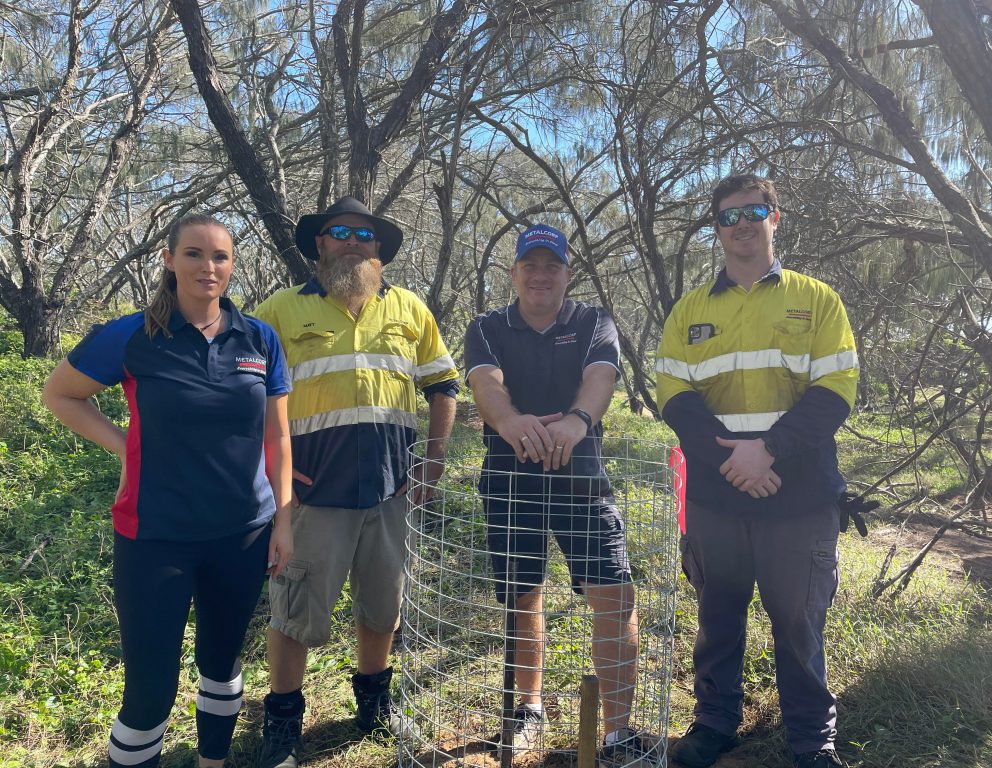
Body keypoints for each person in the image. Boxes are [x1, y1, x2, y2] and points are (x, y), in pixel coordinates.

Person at [41, 214, 294, 768]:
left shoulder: (259, 338)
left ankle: (212, 762)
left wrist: (284, 521)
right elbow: (60, 394)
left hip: (243, 535)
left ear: (232, 265)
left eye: (220, 256)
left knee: (222, 666)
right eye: (194, 254)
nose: (208, 267)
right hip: (154, 535)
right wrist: (125, 447)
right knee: (149, 690)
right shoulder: (133, 335)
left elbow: (276, 434)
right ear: (169, 260)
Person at [655, 174, 859, 768]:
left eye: (753, 211)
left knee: (798, 621)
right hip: (716, 496)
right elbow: (675, 397)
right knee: (717, 615)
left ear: (776, 217)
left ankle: (811, 740)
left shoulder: (817, 300)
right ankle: (715, 724)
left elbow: (836, 390)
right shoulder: (689, 311)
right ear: (716, 228)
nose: (741, 224)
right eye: (728, 215)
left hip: (798, 495)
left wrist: (766, 450)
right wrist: (733, 460)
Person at [254, 196, 459, 768]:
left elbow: (443, 385)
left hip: (392, 492)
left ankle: (374, 706)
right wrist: (273, 470)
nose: (352, 243)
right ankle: (282, 726)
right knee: (294, 612)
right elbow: (243, 392)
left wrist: (434, 458)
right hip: (313, 496)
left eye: (364, 235)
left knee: (383, 606)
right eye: (339, 232)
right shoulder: (280, 311)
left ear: (379, 251)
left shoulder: (410, 309)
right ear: (320, 244)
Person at [464, 223, 656, 768]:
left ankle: (617, 732)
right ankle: (529, 711)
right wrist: (511, 422)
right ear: (514, 273)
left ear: (568, 274)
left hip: (583, 482)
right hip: (511, 481)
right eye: (531, 265)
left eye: (552, 266)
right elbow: (486, 384)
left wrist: (576, 422)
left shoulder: (594, 321)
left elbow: (600, 378)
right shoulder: (486, 326)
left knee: (614, 595)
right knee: (523, 597)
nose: (541, 275)